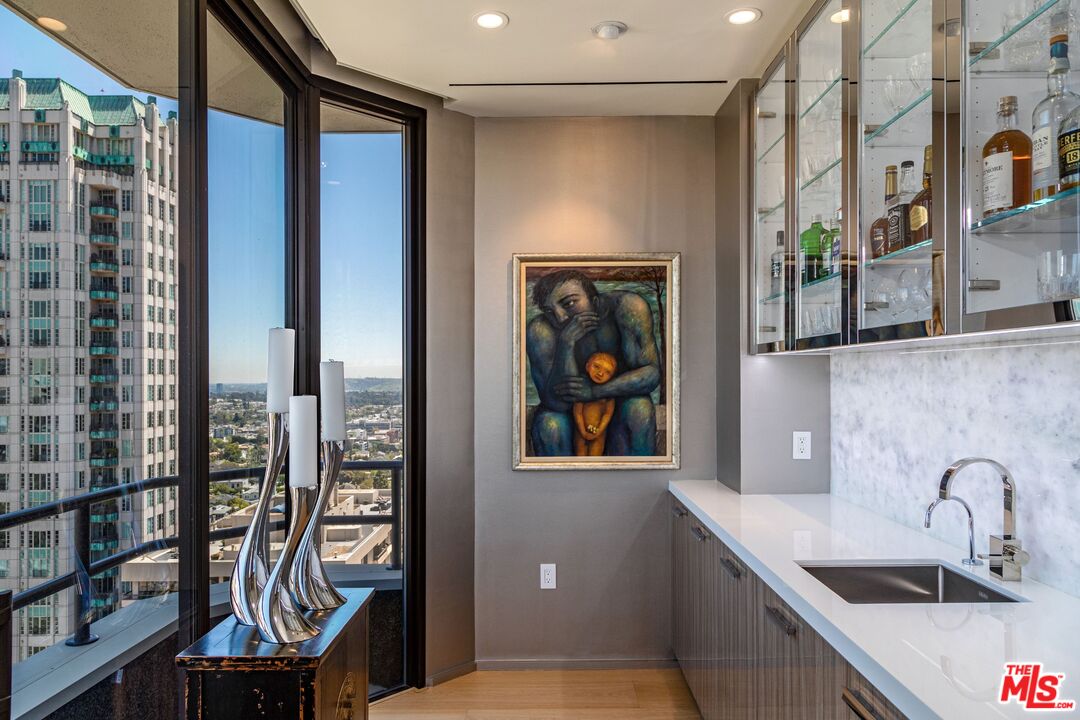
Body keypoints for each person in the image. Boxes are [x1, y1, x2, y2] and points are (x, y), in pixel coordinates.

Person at [526, 269, 661, 457]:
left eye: (570, 303)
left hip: (616, 406)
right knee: (548, 424)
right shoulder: (539, 330)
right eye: (550, 311)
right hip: (568, 414)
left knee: (640, 409)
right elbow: (554, 402)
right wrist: (566, 345)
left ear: (595, 301)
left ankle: (633, 482)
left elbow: (651, 374)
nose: (561, 317)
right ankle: (558, 485)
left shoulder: (628, 307)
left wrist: (595, 391)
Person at [572, 352, 618, 456]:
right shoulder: (583, 390)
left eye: (607, 372)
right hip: (581, 431)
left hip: (599, 433)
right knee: (580, 456)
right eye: (596, 367)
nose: (600, 373)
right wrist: (583, 432)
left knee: (596, 456)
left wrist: (598, 432)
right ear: (587, 366)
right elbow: (577, 412)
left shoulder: (609, 396)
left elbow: (607, 414)